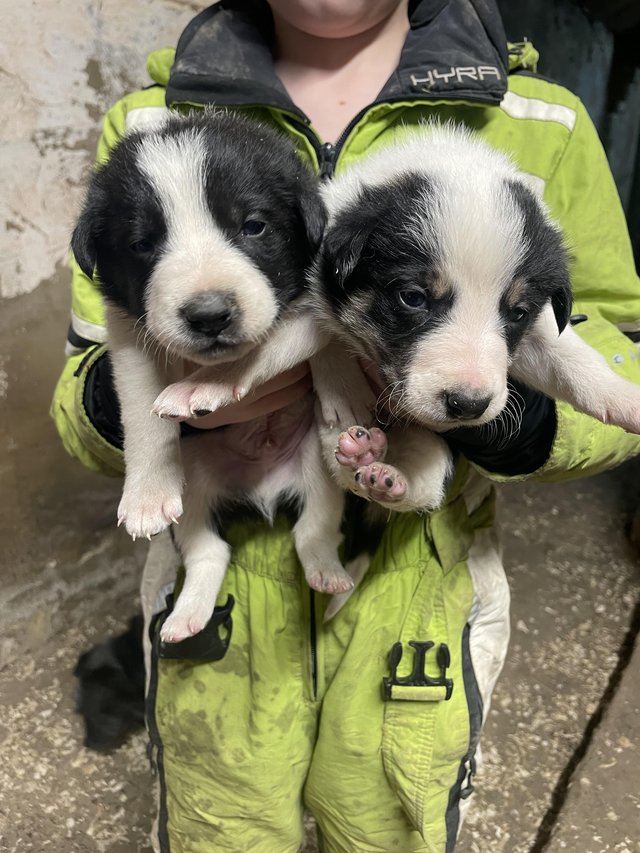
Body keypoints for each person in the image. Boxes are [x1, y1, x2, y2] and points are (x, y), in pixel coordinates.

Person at [52, 1, 640, 850]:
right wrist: (126, 407)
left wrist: (514, 424)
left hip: (417, 604)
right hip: (222, 627)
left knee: (391, 823)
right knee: (222, 824)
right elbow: (89, 365)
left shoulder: (538, 121)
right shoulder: (146, 121)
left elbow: (612, 352)